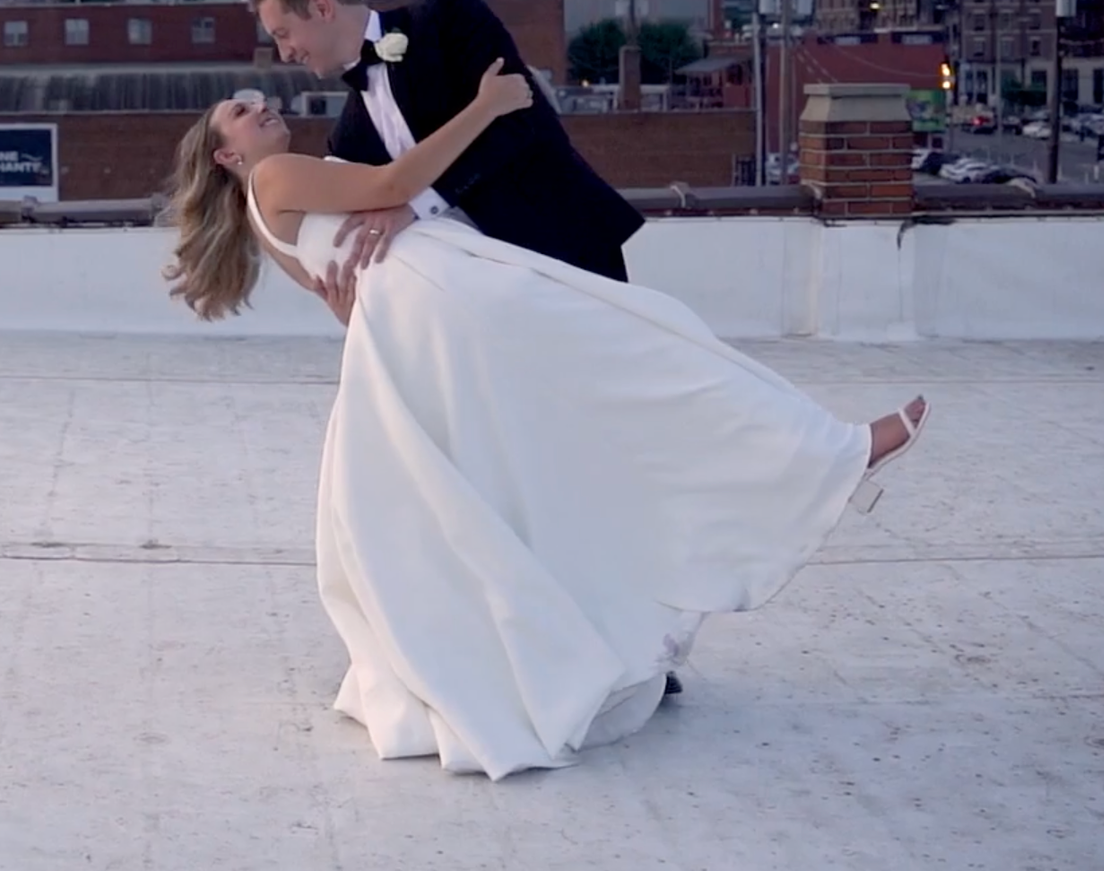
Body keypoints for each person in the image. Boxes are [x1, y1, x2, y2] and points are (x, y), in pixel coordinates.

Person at [163, 67, 931, 782]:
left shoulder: (268, 218)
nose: (260, 103)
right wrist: (487, 107)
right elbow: (398, 183)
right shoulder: (273, 175)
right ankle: (825, 454)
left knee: (534, 470)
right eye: (240, 109)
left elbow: (344, 297)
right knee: (648, 347)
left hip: (422, 324)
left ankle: (776, 489)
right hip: (456, 297)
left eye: (257, 96)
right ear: (227, 155)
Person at [250, 0, 644, 320]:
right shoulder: (347, 138)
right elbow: (360, 240)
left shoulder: (446, 18)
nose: (284, 53)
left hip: (566, 250)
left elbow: (520, 120)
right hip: (479, 308)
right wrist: (349, 308)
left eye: (283, 34)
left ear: (321, 6)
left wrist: (418, 205)